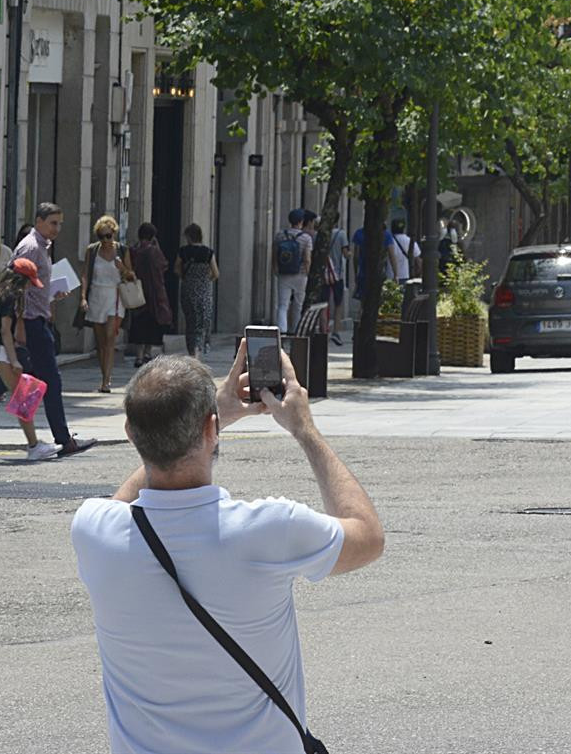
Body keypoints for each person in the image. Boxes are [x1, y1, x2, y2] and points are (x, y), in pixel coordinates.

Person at [72, 344, 384, 753]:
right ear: (210, 430)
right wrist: (304, 428)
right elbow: (368, 536)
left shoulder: (93, 530)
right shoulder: (269, 528)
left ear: (130, 433)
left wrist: (210, 420)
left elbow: (131, 497)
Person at [0, 205, 94, 457]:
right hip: (30, 324)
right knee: (48, 381)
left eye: (60, 224)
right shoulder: (31, 247)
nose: (57, 229)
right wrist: (21, 325)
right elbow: (15, 287)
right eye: (53, 223)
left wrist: (51, 294)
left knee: (10, 382)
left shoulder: (42, 246)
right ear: (39, 221)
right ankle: (60, 440)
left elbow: (31, 288)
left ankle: (39, 442)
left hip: (34, 321)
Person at [0, 259, 43, 457]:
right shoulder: (11, 297)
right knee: (23, 398)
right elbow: (6, 332)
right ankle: (34, 446)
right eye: (28, 282)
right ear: (21, 280)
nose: (28, 287)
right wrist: (14, 360)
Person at [83, 216, 135, 392]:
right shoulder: (92, 251)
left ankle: (106, 380)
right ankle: (104, 374)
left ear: (114, 234)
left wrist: (122, 268)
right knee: (100, 342)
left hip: (115, 296)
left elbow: (131, 276)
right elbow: (85, 276)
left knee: (110, 337)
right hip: (97, 295)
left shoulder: (122, 250)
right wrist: (83, 297)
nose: (105, 240)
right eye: (102, 236)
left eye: (108, 236)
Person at [127, 224, 173, 363]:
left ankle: (139, 355)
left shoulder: (133, 250)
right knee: (152, 323)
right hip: (153, 292)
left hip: (138, 291)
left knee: (139, 323)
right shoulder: (153, 251)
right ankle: (147, 353)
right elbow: (163, 265)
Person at [175, 226, 218, 358]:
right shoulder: (208, 252)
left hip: (188, 291)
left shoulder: (183, 251)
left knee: (190, 323)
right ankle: (199, 351)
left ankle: (192, 352)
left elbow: (177, 270)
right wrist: (205, 281)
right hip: (204, 293)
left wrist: (187, 278)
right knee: (202, 323)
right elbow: (216, 273)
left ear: (188, 236)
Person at [271, 209, 311, 335]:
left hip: (284, 273)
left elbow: (274, 254)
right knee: (298, 304)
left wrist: (275, 268)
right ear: (301, 221)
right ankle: (296, 330)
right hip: (300, 274)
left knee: (283, 304)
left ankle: (282, 330)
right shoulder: (306, 238)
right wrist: (307, 272)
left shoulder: (280, 235)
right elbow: (307, 259)